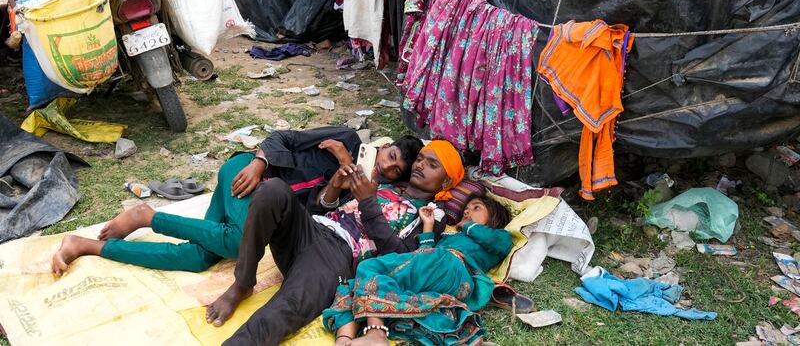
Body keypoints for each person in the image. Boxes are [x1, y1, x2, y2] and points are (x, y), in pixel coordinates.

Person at [50, 127, 423, 276]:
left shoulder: (364, 197)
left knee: (199, 258)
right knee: (235, 241)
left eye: (392, 171)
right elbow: (283, 138)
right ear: (384, 145)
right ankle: (148, 216)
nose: (384, 166)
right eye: (388, 155)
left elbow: (306, 221)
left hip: (262, 207)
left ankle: (90, 246)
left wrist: (337, 188)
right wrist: (260, 162)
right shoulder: (345, 137)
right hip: (247, 174)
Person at [205, 140, 467, 346]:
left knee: (280, 310)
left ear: (445, 181)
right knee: (273, 189)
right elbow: (316, 210)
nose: (420, 165)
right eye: (420, 159)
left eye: (432, 165)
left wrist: (367, 203)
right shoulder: (385, 186)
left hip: (338, 258)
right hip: (312, 230)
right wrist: (335, 185)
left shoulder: (430, 215)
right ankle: (243, 283)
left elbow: (402, 258)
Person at [324, 194, 512, 346]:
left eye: (476, 207)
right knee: (353, 287)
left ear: (494, 218)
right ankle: (344, 340)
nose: (467, 212)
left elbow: (500, 243)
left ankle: (376, 334)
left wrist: (468, 225)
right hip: (438, 274)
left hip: (452, 266)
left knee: (370, 267)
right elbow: (423, 256)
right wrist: (428, 226)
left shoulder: (497, 237)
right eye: (466, 210)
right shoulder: (451, 237)